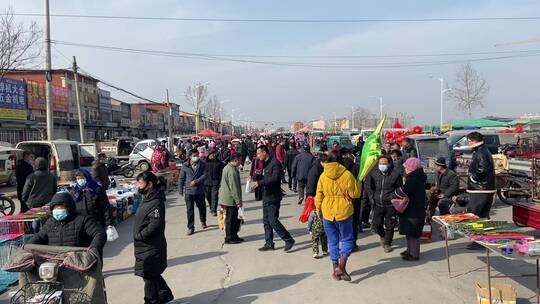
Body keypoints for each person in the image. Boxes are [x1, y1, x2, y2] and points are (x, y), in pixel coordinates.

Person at [315, 150, 361, 281]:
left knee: (333, 241)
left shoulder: (323, 175)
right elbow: (355, 194)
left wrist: (318, 210)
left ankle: (335, 268)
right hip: (344, 210)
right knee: (347, 239)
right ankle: (342, 265)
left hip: (327, 211)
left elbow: (319, 195)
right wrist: (358, 183)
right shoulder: (347, 174)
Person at [133, 171, 174, 304]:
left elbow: (155, 225)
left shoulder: (156, 201)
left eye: (140, 183)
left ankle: (151, 300)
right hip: (144, 246)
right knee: (151, 274)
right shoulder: (148, 198)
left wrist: (141, 235)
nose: (138, 186)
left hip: (150, 245)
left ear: (149, 184)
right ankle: (164, 295)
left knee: (148, 275)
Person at [28, 192, 106, 255]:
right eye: (55, 208)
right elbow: (39, 237)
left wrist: (93, 248)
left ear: (69, 207)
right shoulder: (50, 223)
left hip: (78, 259)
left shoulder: (83, 220)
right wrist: (28, 246)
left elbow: (99, 233)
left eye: (60, 208)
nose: (57, 210)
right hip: (55, 260)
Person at [251, 145, 295, 252]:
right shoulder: (262, 163)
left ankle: (288, 239)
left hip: (273, 196)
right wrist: (253, 175)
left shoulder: (275, 163)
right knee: (266, 221)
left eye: (258, 153)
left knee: (273, 220)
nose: (257, 156)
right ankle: (269, 243)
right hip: (266, 195)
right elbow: (260, 175)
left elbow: (274, 179)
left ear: (264, 152)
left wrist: (259, 183)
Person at [365, 155, 402, 253]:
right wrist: (372, 196)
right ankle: (382, 236)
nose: (382, 165)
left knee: (390, 226)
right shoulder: (374, 174)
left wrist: (394, 197)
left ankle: (387, 243)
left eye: (384, 164)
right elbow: (369, 186)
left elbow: (399, 188)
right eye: (380, 164)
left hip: (390, 205)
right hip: (377, 204)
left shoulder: (395, 175)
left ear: (389, 164)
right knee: (377, 225)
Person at [395, 157, 427, 261]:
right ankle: (409, 250)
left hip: (414, 210)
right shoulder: (416, 177)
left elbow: (405, 191)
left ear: (411, 168)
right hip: (414, 208)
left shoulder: (413, 179)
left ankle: (414, 254)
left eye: (406, 167)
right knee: (409, 231)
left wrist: (395, 193)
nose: (405, 169)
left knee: (413, 233)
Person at [466, 131, 496, 218]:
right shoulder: (482, 150)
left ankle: (476, 231)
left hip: (480, 189)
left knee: (474, 215)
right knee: (483, 216)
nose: (468, 143)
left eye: (469, 141)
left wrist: (473, 178)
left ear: (474, 141)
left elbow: (482, 170)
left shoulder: (481, 152)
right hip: (485, 188)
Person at [179, 149, 208, 235]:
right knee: (189, 210)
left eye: (197, 155)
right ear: (190, 156)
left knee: (202, 207)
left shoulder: (203, 164)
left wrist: (197, 181)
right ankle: (191, 227)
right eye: (194, 155)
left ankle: (203, 221)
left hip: (199, 190)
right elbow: (181, 178)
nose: (196, 157)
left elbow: (205, 175)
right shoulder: (185, 165)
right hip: (189, 191)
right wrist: (180, 189)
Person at [218, 153, 244, 244]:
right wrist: (238, 201)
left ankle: (234, 235)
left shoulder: (229, 168)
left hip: (229, 197)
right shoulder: (231, 171)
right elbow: (234, 187)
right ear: (236, 160)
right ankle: (229, 237)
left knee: (235, 219)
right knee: (231, 219)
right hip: (230, 199)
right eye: (240, 160)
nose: (241, 162)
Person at [205, 150, 224, 216]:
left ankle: (214, 210)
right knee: (208, 196)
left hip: (215, 182)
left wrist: (221, 180)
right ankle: (211, 206)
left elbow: (222, 173)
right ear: (208, 155)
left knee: (214, 196)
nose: (213, 156)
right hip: (206, 182)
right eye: (211, 154)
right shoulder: (204, 162)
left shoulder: (219, 163)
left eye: (214, 154)